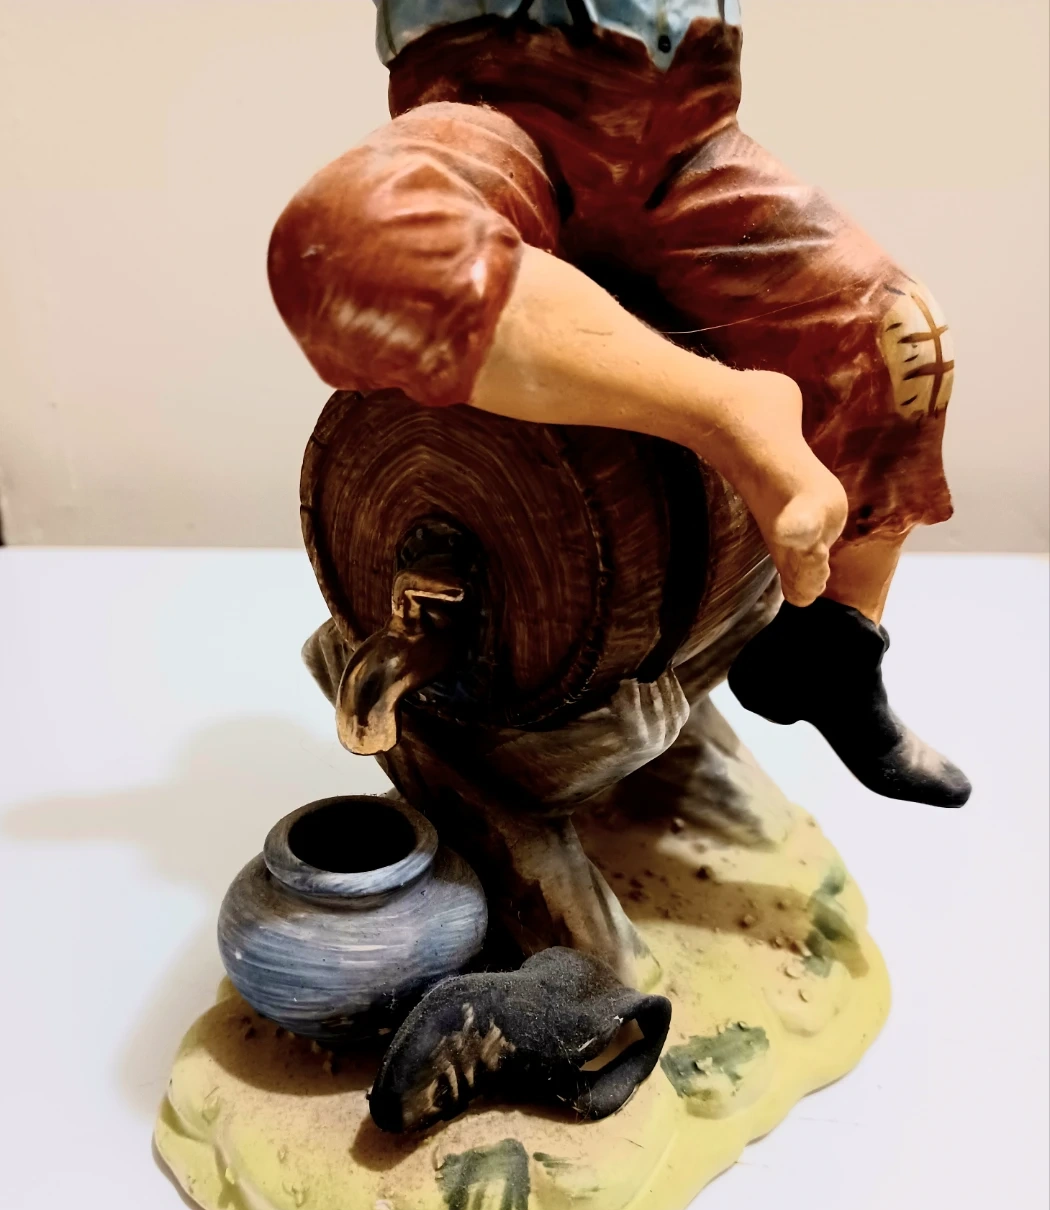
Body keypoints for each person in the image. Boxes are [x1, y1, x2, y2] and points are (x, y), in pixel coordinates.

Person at [269, 0, 971, 808]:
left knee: (899, 335)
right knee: (352, 243)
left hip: (684, 114)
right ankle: (730, 411)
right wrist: (719, 411)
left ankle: (834, 648)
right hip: (496, 89)